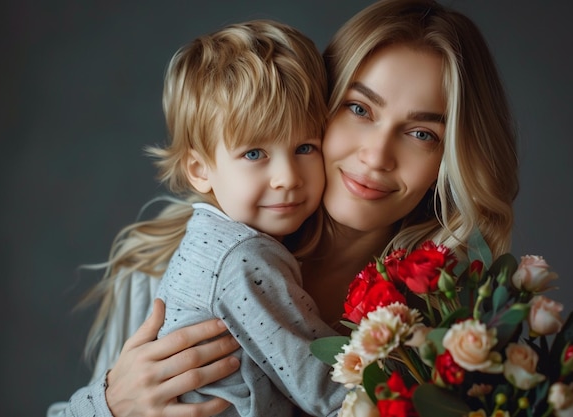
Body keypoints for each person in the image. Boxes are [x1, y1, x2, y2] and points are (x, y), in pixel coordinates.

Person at [48, 0, 518, 416]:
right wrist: (108, 405)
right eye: (359, 109)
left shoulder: (457, 317)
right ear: (319, 106)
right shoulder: (161, 267)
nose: (376, 156)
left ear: (450, 159)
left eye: (422, 134)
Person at [149, 19, 346, 416]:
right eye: (255, 154)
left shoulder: (209, 239)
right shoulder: (242, 257)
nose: (288, 178)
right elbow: (322, 384)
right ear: (200, 169)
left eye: (305, 147)